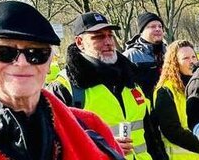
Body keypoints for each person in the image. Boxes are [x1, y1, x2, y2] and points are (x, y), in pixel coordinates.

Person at [0, 0, 123, 159]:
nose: (22, 62)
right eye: (4, 52)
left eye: (36, 53)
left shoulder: (91, 127)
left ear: (49, 62)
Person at [49, 11, 168, 160]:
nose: (108, 42)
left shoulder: (131, 78)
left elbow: (151, 135)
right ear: (80, 42)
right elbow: (53, 146)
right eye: (98, 36)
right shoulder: (64, 87)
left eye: (110, 35)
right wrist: (100, 146)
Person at [153, 40, 199, 159]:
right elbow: (172, 131)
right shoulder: (165, 90)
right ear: (174, 63)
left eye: (193, 57)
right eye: (186, 58)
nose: (192, 61)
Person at [125, 12, 167, 99]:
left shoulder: (169, 53)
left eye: (160, 26)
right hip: (144, 108)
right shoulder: (130, 56)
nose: (158, 29)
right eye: (153, 26)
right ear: (142, 31)